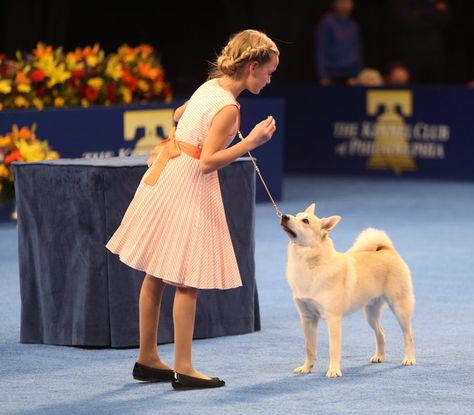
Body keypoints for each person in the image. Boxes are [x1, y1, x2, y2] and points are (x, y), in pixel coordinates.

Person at [105, 29, 278, 390]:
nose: (270, 79)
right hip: (187, 184)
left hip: (167, 174)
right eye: (268, 72)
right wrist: (251, 141)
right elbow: (208, 162)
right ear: (252, 66)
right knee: (185, 281)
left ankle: (148, 357)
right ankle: (183, 367)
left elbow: (178, 113)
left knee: (156, 271)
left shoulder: (211, 85)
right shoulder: (229, 106)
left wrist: (193, 132)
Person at [385, 0, 451, 84]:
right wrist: (432, 19)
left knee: (436, 91)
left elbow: (445, 16)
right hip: (408, 56)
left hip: (435, 55)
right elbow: (406, 20)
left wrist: (421, 13)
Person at [315, 0, 363, 85]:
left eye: (348, 1)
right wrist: (323, 75)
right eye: (342, 1)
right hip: (332, 75)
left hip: (351, 75)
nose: (345, 4)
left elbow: (357, 50)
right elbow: (321, 50)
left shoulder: (353, 25)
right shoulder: (327, 23)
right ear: (334, 3)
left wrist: (357, 74)